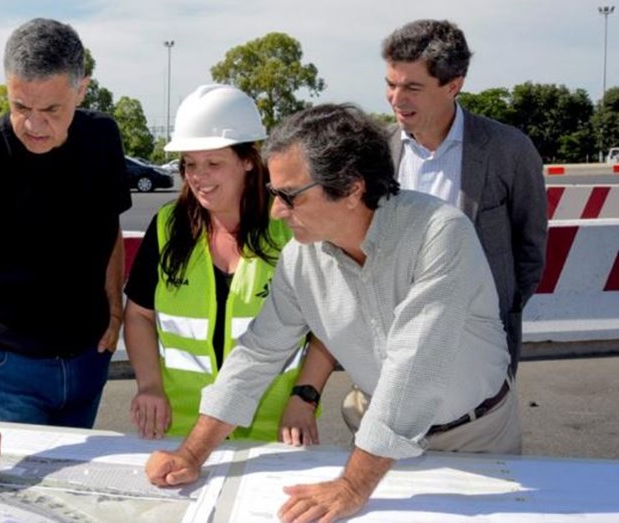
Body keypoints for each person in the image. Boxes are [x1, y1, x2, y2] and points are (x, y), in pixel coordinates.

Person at [145, 104, 519, 522]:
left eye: (289, 196)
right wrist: (192, 453)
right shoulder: (300, 258)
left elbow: (415, 369)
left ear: (352, 188)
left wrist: (353, 485)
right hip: (375, 439)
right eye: (273, 194)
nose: (276, 212)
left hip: (474, 437)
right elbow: (257, 356)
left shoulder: (440, 235)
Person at [0, 18, 131, 491]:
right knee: (16, 502)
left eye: (51, 109)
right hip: (7, 371)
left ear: (83, 91)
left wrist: (115, 307)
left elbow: (111, 228)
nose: (34, 125)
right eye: (20, 106)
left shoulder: (103, 139)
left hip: (89, 361)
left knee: (68, 496)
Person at [123, 84, 318, 444]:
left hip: (273, 431)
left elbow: (324, 329)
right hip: (181, 429)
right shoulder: (168, 226)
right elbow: (138, 315)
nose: (199, 177)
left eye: (214, 163)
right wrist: (149, 386)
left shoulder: (289, 229)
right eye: (190, 165)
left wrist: (304, 399)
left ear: (248, 160)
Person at [382, 19, 548, 377]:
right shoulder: (376, 152)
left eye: (412, 87)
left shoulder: (509, 150)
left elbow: (529, 246)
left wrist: (504, 306)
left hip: (479, 342)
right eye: (391, 84)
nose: (396, 99)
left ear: (453, 86)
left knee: (480, 433)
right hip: (394, 342)